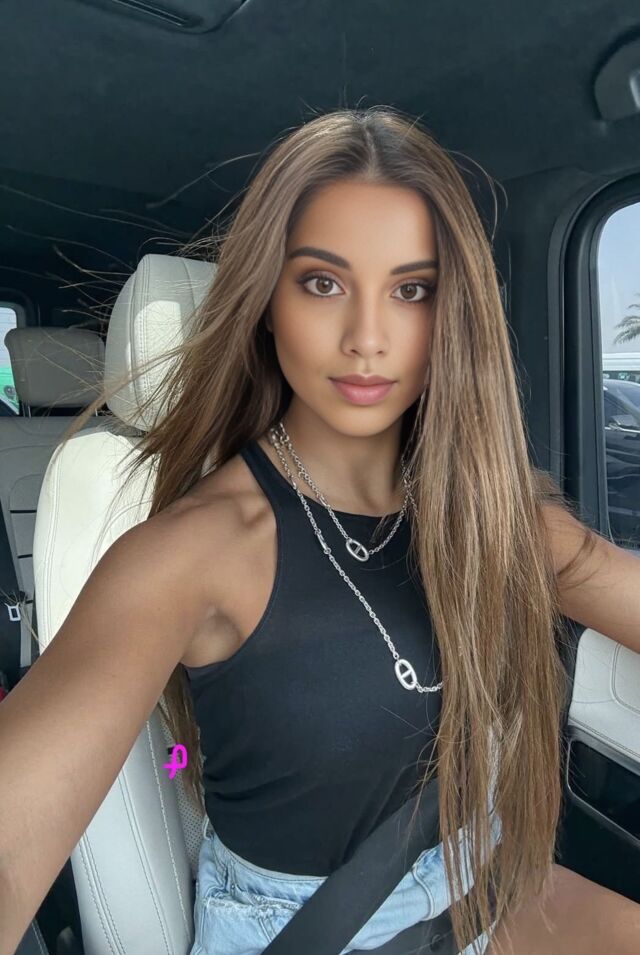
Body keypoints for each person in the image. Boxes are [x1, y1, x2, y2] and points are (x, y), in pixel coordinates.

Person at [1, 105, 640, 955]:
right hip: (308, 932)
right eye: (323, 283)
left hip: (483, 881)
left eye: (411, 290)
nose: (367, 338)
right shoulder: (191, 550)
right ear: (267, 300)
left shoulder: (495, 514)